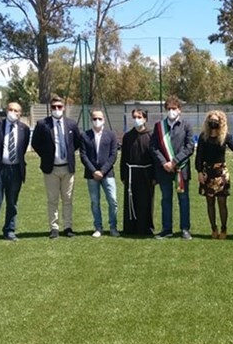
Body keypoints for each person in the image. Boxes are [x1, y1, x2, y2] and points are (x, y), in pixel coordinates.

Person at [31, 96, 81, 239]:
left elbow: (77, 142)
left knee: (68, 199)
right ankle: (54, 228)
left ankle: (68, 227)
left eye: (59, 107)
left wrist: (68, 154)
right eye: (54, 107)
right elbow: (35, 143)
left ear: (63, 108)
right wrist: (46, 156)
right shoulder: (42, 124)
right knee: (52, 200)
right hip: (50, 169)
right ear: (50, 108)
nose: (57, 109)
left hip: (67, 168)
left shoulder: (71, 124)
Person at [0, 102, 30, 244]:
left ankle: (9, 230)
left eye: (16, 110)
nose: (13, 112)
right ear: (6, 110)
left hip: (15, 170)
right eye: (11, 109)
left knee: (12, 203)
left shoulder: (24, 129)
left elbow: (23, 148)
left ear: (20, 113)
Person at [150, 95, 195, 240]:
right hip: (164, 170)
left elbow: (189, 147)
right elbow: (153, 147)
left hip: (181, 169)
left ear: (179, 110)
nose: (171, 111)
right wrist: (164, 163)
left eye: (174, 108)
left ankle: (185, 229)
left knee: (183, 199)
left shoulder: (186, 125)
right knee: (166, 199)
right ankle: (166, 229)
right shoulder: (158, 127)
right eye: (168, 109)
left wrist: (174, 161)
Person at [194, 110, 233, 239]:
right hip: (207, 173)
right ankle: (213, 228)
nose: (213, 123)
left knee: (222, 202)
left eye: (216, 121)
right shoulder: (203, 137)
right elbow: (199, 156)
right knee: (210, 202)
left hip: (221, 173)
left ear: (221, 122)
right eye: (211, 121)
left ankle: (224, 228)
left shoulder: (225, 136)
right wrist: (199, 172)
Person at [80, 109, 119, 237]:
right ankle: (98, 227)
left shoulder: (111, 135)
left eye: (99, 119)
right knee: (95, 202)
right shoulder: (85, 135)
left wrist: (102, 171)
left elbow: (113, 155)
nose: (97, 121)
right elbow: (83, 155)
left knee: (112, 200)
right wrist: (94, 171)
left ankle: (113, 227)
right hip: (91, 175)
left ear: (104, 120)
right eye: (94, 119)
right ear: (91, 120)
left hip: (107, 174)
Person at [120, 108, 155, 235]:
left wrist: (154, 176)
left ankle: (145, 227)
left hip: (146, 173)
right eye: (134, 117)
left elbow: (155, 157)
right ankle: (130, 227)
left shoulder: (151, 135)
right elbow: (123, 157)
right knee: (131, 199)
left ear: (145, 119)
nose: (137, 119)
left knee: (146, 201)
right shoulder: (128, 136)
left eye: (139, 117)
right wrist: (123, 174)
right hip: (131, 174)